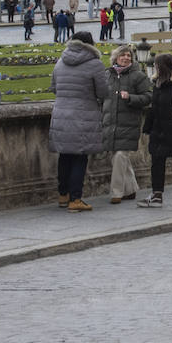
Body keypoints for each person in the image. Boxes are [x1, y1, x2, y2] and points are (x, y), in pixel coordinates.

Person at [50, 31, 108, 211]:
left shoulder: (60, 62)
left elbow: (53, 88)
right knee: (80, 157)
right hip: (84, 116)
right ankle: (76, 199)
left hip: (60, 115)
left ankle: (63, 195)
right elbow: (103, 92)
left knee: (65, 156)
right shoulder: (95, 64)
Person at [137, 53, 172, 207]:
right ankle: (156, 194)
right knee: (157, 162)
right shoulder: (157, 83)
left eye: (156, 65)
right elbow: (154, 107)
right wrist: (148, 127)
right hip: (159, 129)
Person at [102, 43, 153, 204]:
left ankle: (116, 192)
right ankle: (130, 190)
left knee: (120, 155)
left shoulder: (138, 76)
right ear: (115, 58)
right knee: (118, 157)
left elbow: (148, 97)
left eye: (128, 55)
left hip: (128, 123)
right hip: (110, 124)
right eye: (122, 55)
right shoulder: (107, 75)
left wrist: (131, 98)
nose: (126, 58)